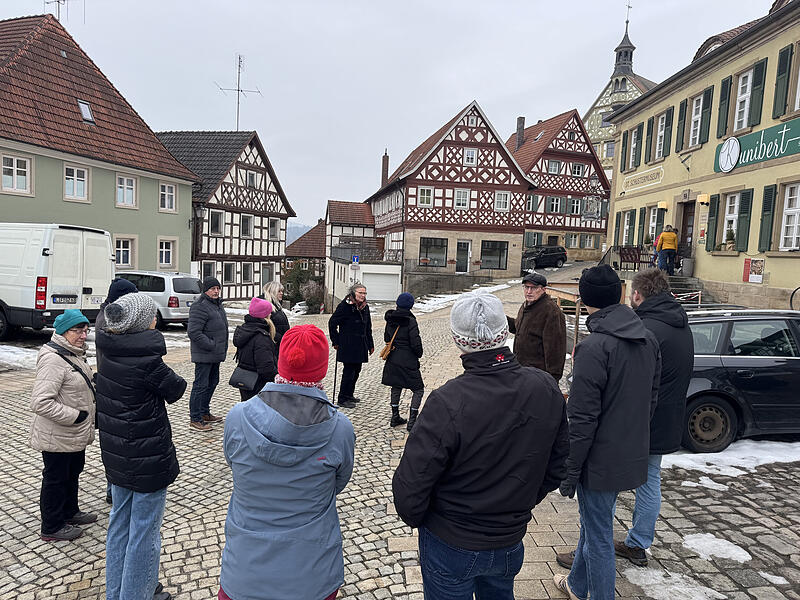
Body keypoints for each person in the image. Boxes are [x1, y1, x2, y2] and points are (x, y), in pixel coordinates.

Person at [393, 290, 569, 600]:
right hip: (508, 539)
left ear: (459, 341)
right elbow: (556, 467)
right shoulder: (545, 388)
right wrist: (519, 503)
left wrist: (431, 522)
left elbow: (411, 487)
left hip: (452, 540)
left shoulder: (447, 402)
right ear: (505, 333)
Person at [556, 269, 693, 570]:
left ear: (637, 295)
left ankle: (595, 549)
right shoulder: (679, 322)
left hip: (635, 421)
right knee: (648, 484)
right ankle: (636, 542)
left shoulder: (645, 328)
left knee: (602, 500)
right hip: (661, 417)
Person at [218, 325, 355, 600]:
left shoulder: (238, 417)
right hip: (311, 575)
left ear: (281, 362)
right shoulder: (340, 428)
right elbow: (337, 483)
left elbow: (235, 465)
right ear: (322, 369)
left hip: (245, 571)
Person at [553, 265, 661, 600]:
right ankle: (576, 584)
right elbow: (652, 398)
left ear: (585, 300)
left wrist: (570, 470)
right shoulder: (647, 337)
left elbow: (582, 418)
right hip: (630, 451)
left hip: (598, 460)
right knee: (594, 525)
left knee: (598, 536)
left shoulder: (594, 346)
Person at [96, 292, 186, 600]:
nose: (156, 319)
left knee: (119, 524)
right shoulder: (147, 362)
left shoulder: (108, 353)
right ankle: (136, 594)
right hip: (147, 459)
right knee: (145, 532)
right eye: (152, 315)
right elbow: (176, 389)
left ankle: (118, 592)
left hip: (117, 457)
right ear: (142, 323)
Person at [30, 309, 96, 542]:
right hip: (58, 433)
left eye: (85, 330)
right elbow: (40, 402)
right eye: (77, 330)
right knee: (56, 479)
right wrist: (76, 416)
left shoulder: (73, 353)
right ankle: (52, 526)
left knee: (72, 473)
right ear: (63, 332)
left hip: (73, 434)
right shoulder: (53, 358)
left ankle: (70, 512)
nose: (83, 335)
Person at [95, 277, 138, 504]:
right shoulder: (110, 319)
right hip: (113, 382)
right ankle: (113, 489)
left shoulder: (109, 314)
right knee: (116, 441)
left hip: (112, 380)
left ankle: (115, 487)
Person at [506, 272, 567, 382]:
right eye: (526, 287)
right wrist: (502, 319)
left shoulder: (551, 311)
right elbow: (519, 328)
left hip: (538, 375)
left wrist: (552, 378)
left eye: (534, 288)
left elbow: (555, 348)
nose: (529, 291)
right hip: (522, 370)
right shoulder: (527, 305)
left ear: (543, 289)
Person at [187, 276, 228, 431]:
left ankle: (204, 412)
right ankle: (195, 418)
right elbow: (194, 332)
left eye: (218, 288)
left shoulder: (217, 305)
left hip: (215, 354)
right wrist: (211, 345)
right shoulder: (200, 306)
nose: (216, 291)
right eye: (212, 289)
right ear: (206, 290)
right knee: (200, 385)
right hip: (205, 354)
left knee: (212, 382)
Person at [381, 292, 424, 430]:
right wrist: (419, 353)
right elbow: (415, 342)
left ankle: (395, 417)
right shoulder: (411, 321)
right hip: (408, 361)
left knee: (396, 385)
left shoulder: (390, 319)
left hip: (393, 358)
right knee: (418, 389)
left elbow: (387, 338)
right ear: (411, 305)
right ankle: (412, 422)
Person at [328, 282, 374, 408]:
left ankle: (349, 395)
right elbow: (332, 323)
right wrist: (336, 341)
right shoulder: (345, 306)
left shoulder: (365, 307)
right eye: (360, 293)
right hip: (348, 345)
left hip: (360, 345)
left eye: (364, 293)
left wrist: (370, 344)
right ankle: (342, 398)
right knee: (349, 372)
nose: (363, 295)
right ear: (353, 293)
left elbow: (368, 327)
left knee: (357, 370)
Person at [232, 297, 278, 402]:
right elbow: (266, 368)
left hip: (246, 381)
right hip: (258, 384)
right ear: (265, 316)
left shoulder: (245, 329)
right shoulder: (261, 337)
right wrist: (277, 376)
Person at [261, 281, 290, 352]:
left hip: (280, 345)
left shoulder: (277, 306)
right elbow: (265, 327)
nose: (281, 293)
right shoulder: (266, 307)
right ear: (272, 291)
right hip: (274, 346)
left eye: (282, 291)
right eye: (279, 291)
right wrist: (280, 338)